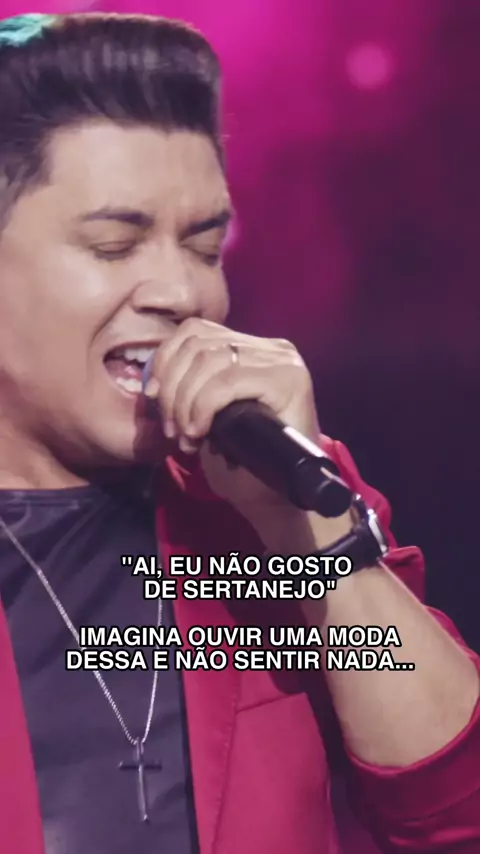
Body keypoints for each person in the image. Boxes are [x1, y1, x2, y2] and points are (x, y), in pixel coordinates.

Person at [0, 12, 478, 854]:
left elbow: (454, 815)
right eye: (114, 245)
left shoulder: (272, 494)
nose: (182, 293)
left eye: (203, 247)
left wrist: (310, 539)